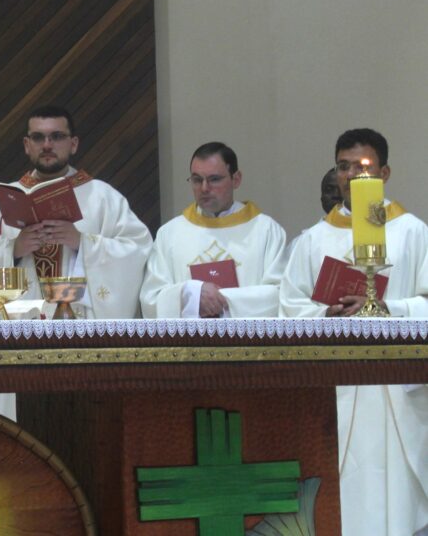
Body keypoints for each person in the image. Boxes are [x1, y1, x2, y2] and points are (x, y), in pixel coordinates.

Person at [280, 128, 428, 536]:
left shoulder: (413, 232)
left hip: (396, 393)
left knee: (397, 503)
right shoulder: (313, 241)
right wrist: (324, 315)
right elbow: (289, 309)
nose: (351, 176)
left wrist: (387, 309)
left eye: (362, 167)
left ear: (385, 172)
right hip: (336, 392)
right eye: (343, 167)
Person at [0, 105, 152, 318]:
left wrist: (82, 243)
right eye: (38, 137)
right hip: (20, 331)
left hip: (82, 332)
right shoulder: (4, 200)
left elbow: (138, 250)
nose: (47, 145)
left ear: (73, 144)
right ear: (27, 145)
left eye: (57, 136)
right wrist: (13, 249)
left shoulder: (102, 197)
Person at [140, 142, 286, 318]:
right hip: (189, 344)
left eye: (214, 179)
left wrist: (217, 299)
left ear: (236, 179)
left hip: (248, 343)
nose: (204, 188)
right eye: (196, 180)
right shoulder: (169, 234)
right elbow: (151, 299)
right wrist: (190, 295)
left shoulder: (266, 230)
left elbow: (280, 295)